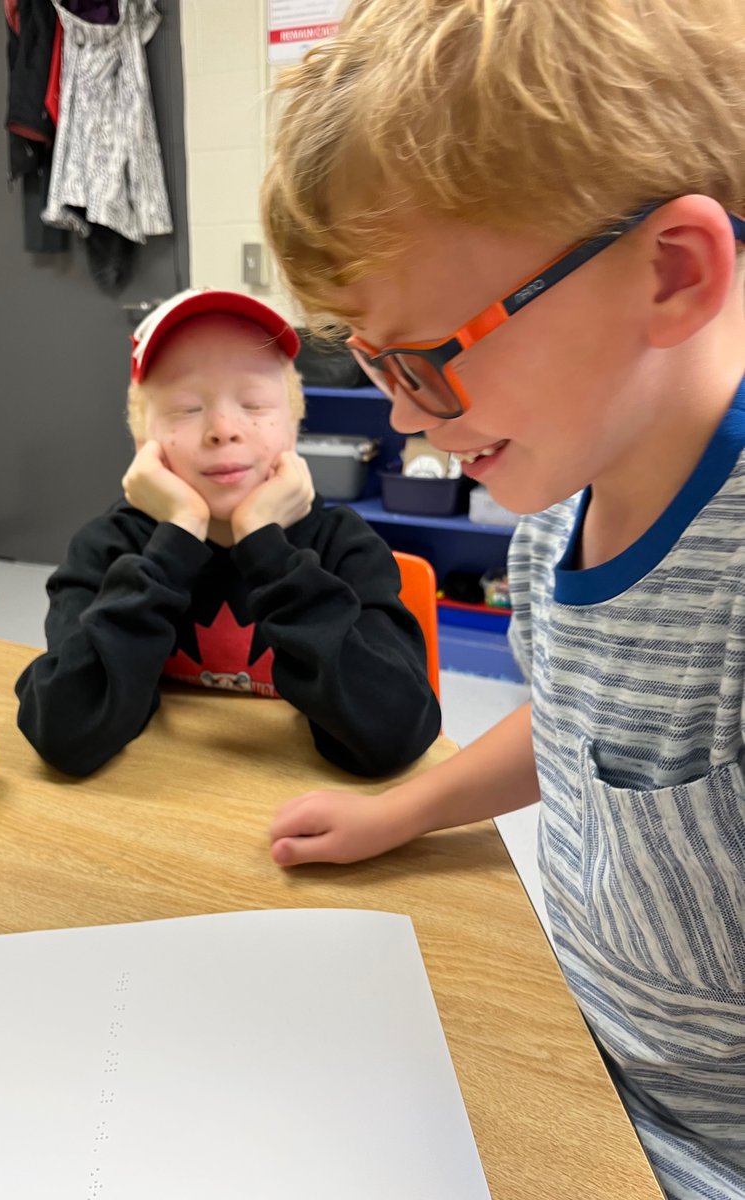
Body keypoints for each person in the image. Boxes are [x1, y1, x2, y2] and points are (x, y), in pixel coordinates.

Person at [260, 3, 745, 1197]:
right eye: (369, 363)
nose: (410, 418)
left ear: (671, 276)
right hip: (576, 1059)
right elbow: (584, 730)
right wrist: (412, 810)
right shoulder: (552, 508)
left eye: (423, 358)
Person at [15, 288, 441, 779]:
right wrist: (177, 538)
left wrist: (264, 542)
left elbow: (394, 736)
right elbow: (64, 733)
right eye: (186, 407)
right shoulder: (108, 549)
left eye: (254, 404)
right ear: (141, 441)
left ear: (293, 427)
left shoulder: (343, 547)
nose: (222, 428)